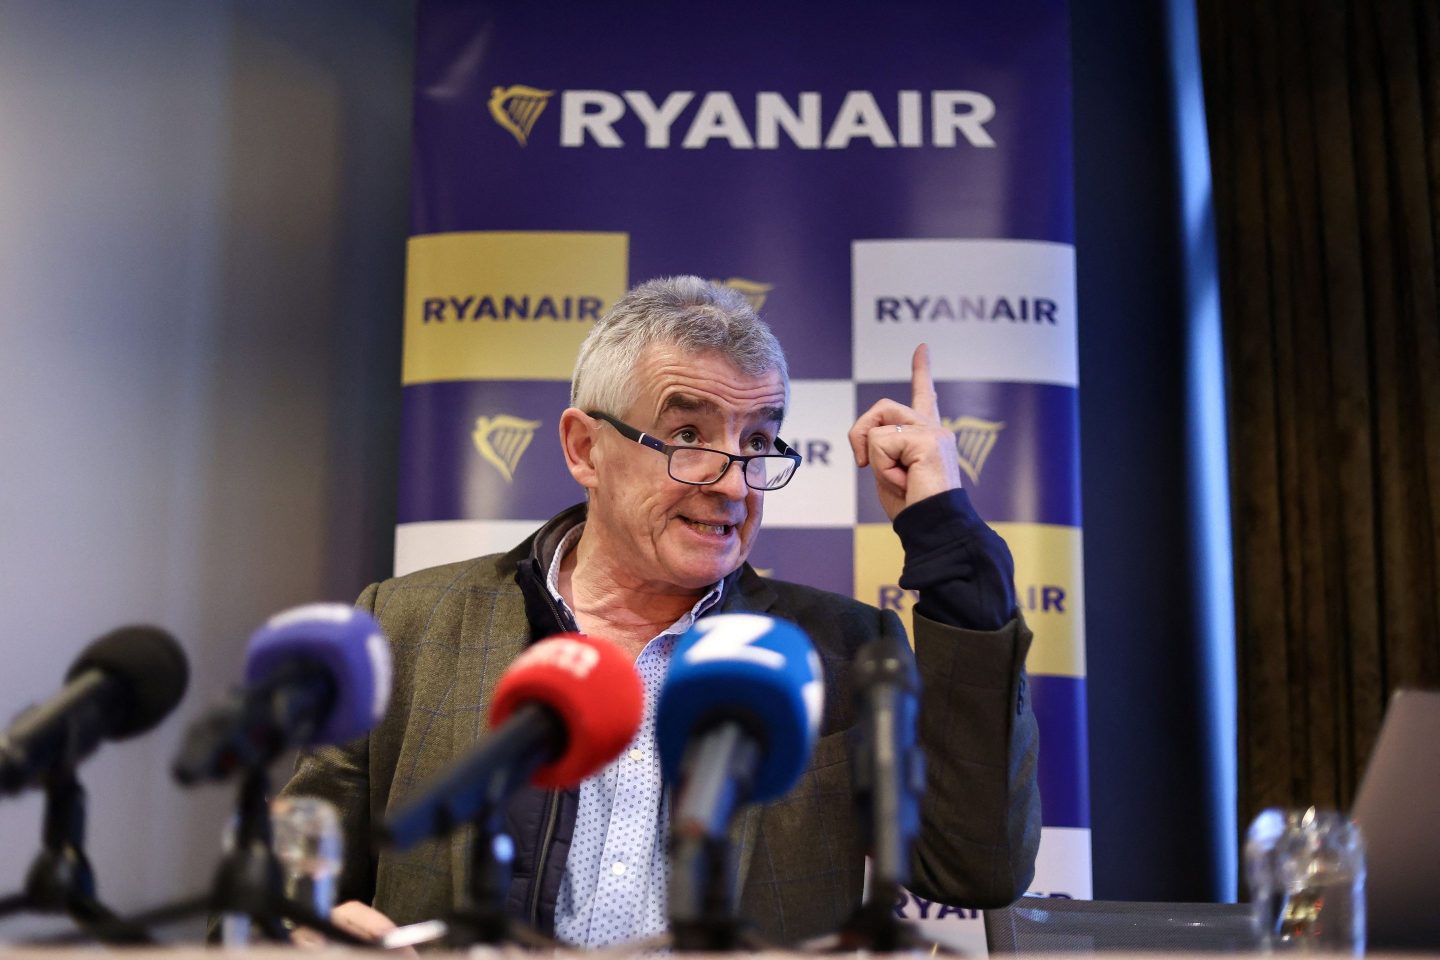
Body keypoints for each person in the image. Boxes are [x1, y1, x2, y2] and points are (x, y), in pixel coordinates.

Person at [282, 276, 1040, 948]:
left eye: (758, 441)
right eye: (687, 435)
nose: (734, 483)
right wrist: (304, 932)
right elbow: (285, 889)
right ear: (585, 449)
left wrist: (949, 547)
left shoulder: (840, 649)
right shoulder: (410, 627)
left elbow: (977, 867)